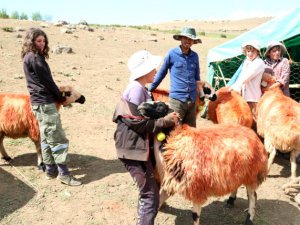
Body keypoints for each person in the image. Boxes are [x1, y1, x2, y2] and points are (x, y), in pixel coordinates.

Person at [113, 50, 178, 225]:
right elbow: (138, 124)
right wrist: (165, 121)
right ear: (144, 70)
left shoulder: (140, 88)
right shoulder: (135, 90)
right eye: (153, 68)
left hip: (136, 146)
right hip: (133, 149)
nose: (156, 71)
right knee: (150, 197)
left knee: (149, 190)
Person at [21, 28, 82, 186]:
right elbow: (48, 82)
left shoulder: (28, 57)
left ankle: (50, 170)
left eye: (43, 41)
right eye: (38, 41)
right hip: (45, 103)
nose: (42, 44)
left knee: (46, 137)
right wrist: (60, 97)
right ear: (31, 42)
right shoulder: (36, 58)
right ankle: (64, 174)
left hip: (37, 103)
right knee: (57, 138)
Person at [149, 27, 201, 127]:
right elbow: (161, 73)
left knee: (191, 132)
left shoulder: (195, 56)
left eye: (191, 39)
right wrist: (151, 88)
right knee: (174, 130)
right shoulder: (172, 54)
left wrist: (199, 95)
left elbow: (197, 77)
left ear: (193, 42)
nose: (188, 41)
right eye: (185, 38)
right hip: (177, 100)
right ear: (181, 38)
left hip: (192, 100)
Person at [228, 40, 265, 124]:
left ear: (258, 52)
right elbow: (241, 76)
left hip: (253, 97)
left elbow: (246, 77)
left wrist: (235, 86)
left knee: (255, 120)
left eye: (252, 51)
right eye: (248, 51)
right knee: (245, 120)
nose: (250, 54)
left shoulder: (259, 63)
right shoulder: (247, 61)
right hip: (244, 96)